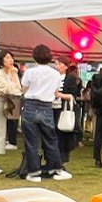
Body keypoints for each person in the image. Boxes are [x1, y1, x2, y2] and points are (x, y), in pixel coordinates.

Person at [20, 45, 72, 182]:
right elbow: (55, 92)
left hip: (30, 105)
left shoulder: (29, 72)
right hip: (47, 107)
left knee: (31, 141)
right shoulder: (55, 74)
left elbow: (24, 89)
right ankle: (55, 168)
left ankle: (34, 172)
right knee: (51, 139)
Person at [55, 62, 82, 163]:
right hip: (52, 107)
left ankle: (63, 156)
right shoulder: (52, 77)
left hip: (63, 108)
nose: (57, 66)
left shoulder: (69, 79)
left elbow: (72, 96)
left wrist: (59, 95)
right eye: (56, 64)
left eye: (59, 64)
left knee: (63, 132)